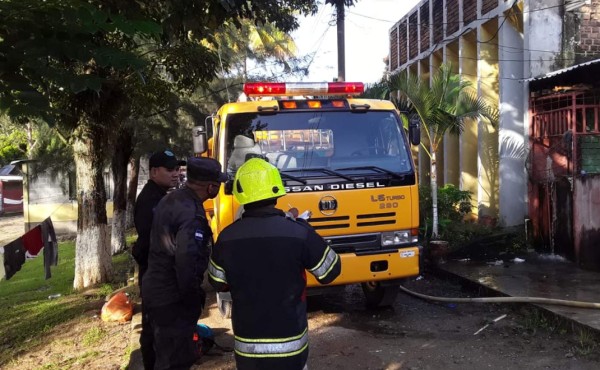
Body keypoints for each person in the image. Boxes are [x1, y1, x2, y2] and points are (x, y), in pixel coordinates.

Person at [208, 158, 341, 370]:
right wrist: (307, 230)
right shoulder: (298, 233)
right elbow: (330, 271)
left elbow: (217, 282)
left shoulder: (226, 237)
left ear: (242, 195)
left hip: (248, 351)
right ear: (277, 192)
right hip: (292, 349)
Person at [141, 156, 227, 370]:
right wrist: (192, 300)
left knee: (160, 355)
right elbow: (186, 263)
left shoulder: (173, 199)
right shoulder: (192, 216)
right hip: (172, 299)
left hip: (156, 290)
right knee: (176, 360)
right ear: (211, 187)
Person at [133, 150, 185, 370]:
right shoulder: (151, 200)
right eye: (170, 170)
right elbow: (151, 242)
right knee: (154, 328)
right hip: (154, 273)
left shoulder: (161, 195)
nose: (176, 174)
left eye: (177, 169)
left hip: (157, 273)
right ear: (154, 172)